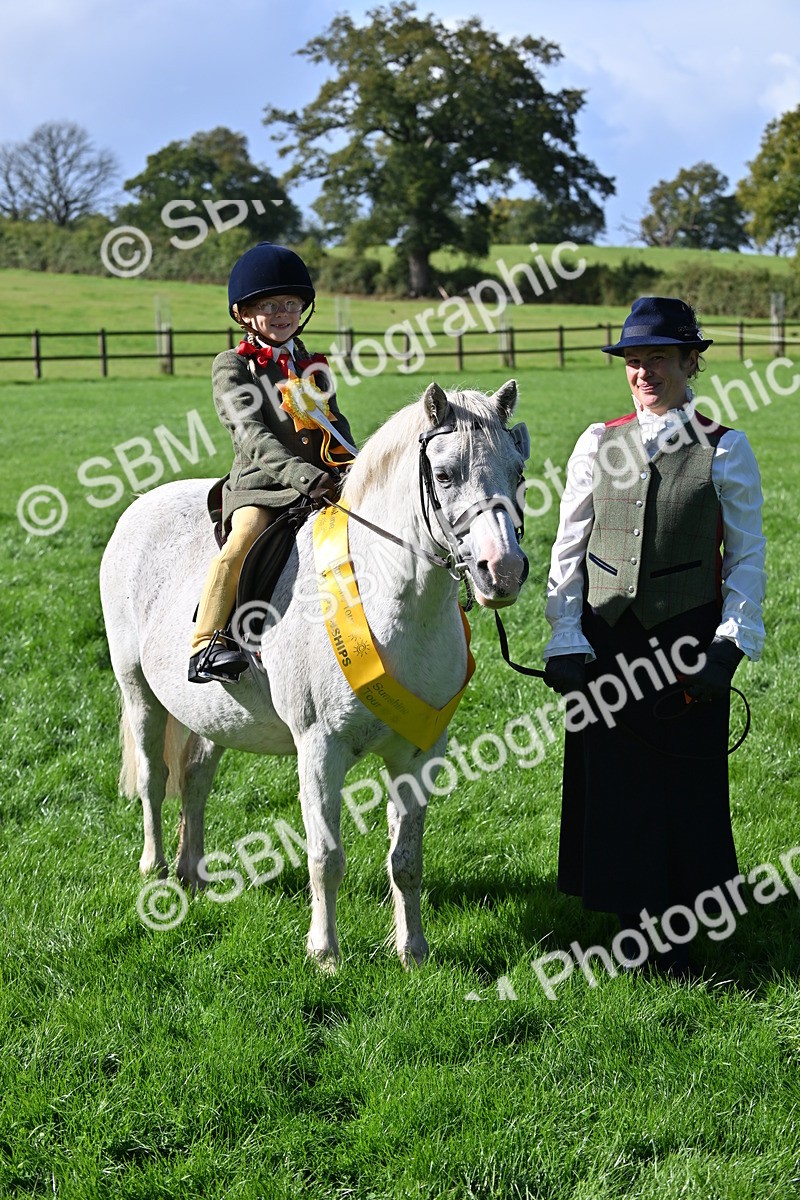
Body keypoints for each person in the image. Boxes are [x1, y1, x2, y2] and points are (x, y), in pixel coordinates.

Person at [542, 296, 766, 974]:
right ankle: (626, 919)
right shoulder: (595, 442)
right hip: (606, 639)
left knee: (680, 792)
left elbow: (750, 557)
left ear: (690, 362)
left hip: (686, 642)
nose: (644, 373)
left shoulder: (725, 447)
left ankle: (675, 935)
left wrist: (729, 645)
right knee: (613, 788)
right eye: (634, 361)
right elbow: (568, 546)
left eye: (658, 359)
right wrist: (564, 639)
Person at [188, 242, 357, 684]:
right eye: (268, 305)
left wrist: (355, 466)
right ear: (244, 313)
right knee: (241, 542)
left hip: (325, 478)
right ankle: (207, 642)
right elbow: (251, 435)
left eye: (290, 304)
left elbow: (335, 423)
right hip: (263, 484)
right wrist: (303, 477)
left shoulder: (312, 364)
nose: (282, 313)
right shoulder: (232, 366)